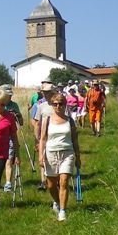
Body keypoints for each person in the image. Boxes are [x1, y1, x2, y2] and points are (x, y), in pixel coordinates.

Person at [39, 91, 81, 222]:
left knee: (63, 182)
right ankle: (56, 201)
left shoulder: (70, 121)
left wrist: (78, 157)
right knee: (51, 185)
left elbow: (75, 140)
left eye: (61, 104)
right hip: (51, 153)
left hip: (67, 153)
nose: (58, 107)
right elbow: (43, 139)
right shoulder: (47, 120)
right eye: (55, 104)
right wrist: (41, 155)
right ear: (52, 105)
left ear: (65, 105)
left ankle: (63, 211)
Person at [0, 84, 23, 191]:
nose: (10, 98)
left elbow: (21, 123)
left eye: (10, 96)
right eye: (8, 96)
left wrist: (17, 115)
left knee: (9, 158)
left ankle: (7, 183)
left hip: (10, 135)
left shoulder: (14, 105)